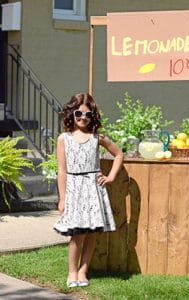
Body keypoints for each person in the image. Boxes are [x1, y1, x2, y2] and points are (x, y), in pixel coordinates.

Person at [53, 93, 123, 288]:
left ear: (93, 116)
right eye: (78, 113)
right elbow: (62, 170)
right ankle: (72, 272)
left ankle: (83, 271)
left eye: (87, 114)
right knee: (77, 234)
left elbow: (118, 154)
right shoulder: (63, 139)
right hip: (74, 190)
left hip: (93, 189)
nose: (83, 118)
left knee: (91, 233)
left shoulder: (97, 138)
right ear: (71, 113)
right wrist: (63, 198)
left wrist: (111, 177)